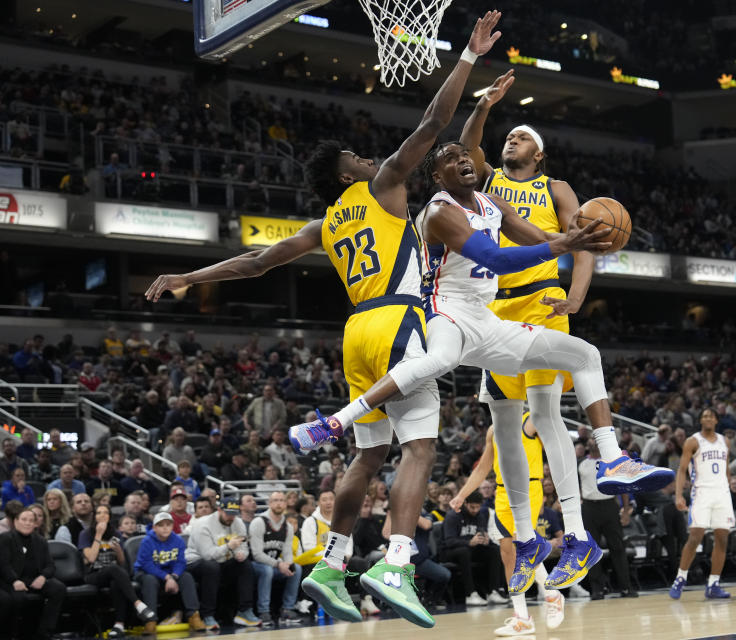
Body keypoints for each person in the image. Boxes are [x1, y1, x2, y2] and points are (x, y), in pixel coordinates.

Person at [146, 11, 506, 629]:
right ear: (348, 175)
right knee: (420, 446)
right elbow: (434, 123)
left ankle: (332, 567)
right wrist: (468, 58)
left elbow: (256, 263)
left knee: (366, 460)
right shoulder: (387, 184)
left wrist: (189, 277)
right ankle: (395, 561)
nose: (371, 158)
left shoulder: (324, 224)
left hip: (355, 336)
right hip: (398, 324)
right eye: (357, 157)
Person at [293, 139, 672, 596]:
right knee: (437, 363)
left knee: (584, 354)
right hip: (441, 313)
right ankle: (334, 423)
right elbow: (494, 258)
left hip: (487, 321)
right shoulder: (437, 210)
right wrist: (563, 245)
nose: (461, 160)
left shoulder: (493, 201)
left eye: (464, 154)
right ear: (437, 177)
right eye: (449, 158)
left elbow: (539, 240)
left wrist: (580, 241)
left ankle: (612, 460)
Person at [458, 70, 607, 604]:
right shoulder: (487, 181)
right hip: (493, 310)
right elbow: (471, 146)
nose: (510, 141)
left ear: (539, 154)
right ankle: (526, 540)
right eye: (509, 137)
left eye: (520, 137)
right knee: (503, 427)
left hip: (544, 303)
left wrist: (578, 296)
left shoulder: (556, 188)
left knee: (544, 417)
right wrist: (485, 106)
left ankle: (577, 532)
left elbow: (585, 244)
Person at [451, 415, 564, 635]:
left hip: (529, 488)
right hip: (502, 492)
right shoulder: (493, 430)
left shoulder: (530, 420)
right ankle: (522, 617)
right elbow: (483, 467)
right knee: (508, 554)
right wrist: (462, 495)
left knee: (523, 545)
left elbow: (557, 449)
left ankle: (552, 594)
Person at [671, 408, 734, 599]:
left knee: (722, 538)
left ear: (716, 420)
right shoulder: (693, 441)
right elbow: (682, 470)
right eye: (704, 416)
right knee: (695, 537)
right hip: (702, 493)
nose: (707, 419)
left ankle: (713, 584)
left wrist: (728, 486)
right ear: (701, 420)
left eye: (710, 416)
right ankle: (680, 578)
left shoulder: (725, 441)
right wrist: (678, 495)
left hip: (722, 493)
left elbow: (727, 467)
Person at [78, 505, 157, 638]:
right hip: (94, 574)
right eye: (99, 513)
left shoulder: (115, 533)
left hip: (114, 575)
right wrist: (98, 534)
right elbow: (90, 558)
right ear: (94, 516)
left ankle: (119, 625)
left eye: (105, 513)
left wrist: (119, 551)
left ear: (109, 516)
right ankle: (138, 604)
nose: (102, 515)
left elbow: (121, 562)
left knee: (116, 582)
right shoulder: (86, 534)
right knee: (114, 569)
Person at [185, 497, 261, 630]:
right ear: (219, 510)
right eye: (228, 513)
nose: (231, 517)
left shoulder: (238, 523)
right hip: (196, 562)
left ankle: (244, 611)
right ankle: (207, 615)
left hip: (222, 560)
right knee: (211, 567)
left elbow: (243, 546)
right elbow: (208, 555)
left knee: (245, 565)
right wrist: (229, 547)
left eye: (234, 514)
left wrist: (242, 554)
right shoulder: (203, 525)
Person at [577, 437, 634, 599]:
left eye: (596, 438)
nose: (593, 441)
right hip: (589, 507)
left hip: (609, 505)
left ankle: (626, 587)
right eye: (591, 439)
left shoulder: (612, 462)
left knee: (618, 547)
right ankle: (597, 589)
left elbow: (623, 486)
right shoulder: (581, 463)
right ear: (587, 444)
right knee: (592, 550)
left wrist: (625, 510)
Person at [0, 507, 66, 640]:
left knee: (58, 588)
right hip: (9, 580)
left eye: (31, 520)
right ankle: (13, 634)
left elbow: (50, 565)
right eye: (24, 520)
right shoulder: (5, 538)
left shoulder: (40, 540)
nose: (27, 523)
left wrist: (43, 577)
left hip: (33, 579)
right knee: (17, 599)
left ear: (36, 524)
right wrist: (14, 580)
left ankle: (44, 632)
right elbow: (3, 565)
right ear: (16, 521)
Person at [134, 512, 205, 633]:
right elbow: (147, 564)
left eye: (168, 524)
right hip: (146, 572)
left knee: (186, 577)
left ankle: (194, 616)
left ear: (172, 526)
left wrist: (173, 576)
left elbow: (181, 562)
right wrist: (167, 577)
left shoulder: (178, 540)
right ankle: (150, 620)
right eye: (161, 525)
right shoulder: (147, 541)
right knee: (149, 580)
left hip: (169, 573)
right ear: (155, 527)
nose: (165, 527)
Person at [441, 491, 503, 606]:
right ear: (465, 503)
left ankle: (493, 591)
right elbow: (449, 541)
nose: (475, 510)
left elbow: (482, 533)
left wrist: (485, 540)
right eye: (472, 507)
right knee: (464, 552)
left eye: (478, 507)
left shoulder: (480, 516)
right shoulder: (453, 516)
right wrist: (469, 542)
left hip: (471, 549)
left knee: (494, 550)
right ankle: (471, 594)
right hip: (450, 551)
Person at [249, 491, 302, 625]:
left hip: (273, 565)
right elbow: (257, 554)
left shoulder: (288, 527)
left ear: (285, 504)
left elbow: (287, 552)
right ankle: (263, 612)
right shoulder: (259, 522)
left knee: (297, 569)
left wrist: (288, 565)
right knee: (267, 570)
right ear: (269, 503)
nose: (279, 503)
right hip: (254, 565)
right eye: (275, 500)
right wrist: (278, 565)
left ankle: (287, 610)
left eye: (282, 500)